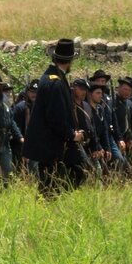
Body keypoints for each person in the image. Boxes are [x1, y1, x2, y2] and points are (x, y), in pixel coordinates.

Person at [24, 39, 84, 199]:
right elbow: (55, 118)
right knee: (52, 187)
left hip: (51, 145)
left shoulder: (53, 78)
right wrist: (72, 135)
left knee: (54, 185)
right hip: (51, 145)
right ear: (70, 60)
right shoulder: (54, 82)